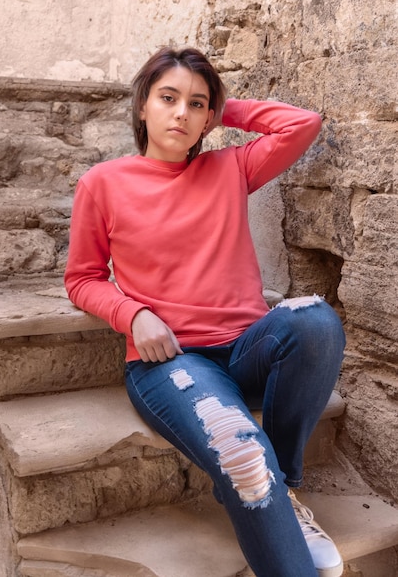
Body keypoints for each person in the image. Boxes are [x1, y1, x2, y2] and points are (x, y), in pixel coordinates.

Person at [64, 46, 346, 577]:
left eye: (197, 105)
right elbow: (80, 279)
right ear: (142, 105)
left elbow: (301, 126)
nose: (182, 115)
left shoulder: (230, 167)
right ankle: (271, 497)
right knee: (241, 458)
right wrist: (133, 315)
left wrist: (224, 106)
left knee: (314, 320)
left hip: (247, 351)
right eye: (168, 98)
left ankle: (282, 490)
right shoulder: (102, 183)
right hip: (171, 363)